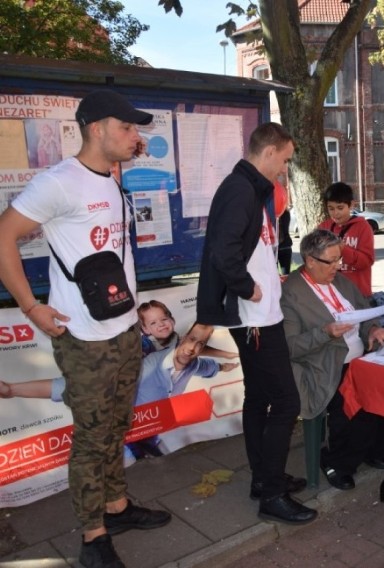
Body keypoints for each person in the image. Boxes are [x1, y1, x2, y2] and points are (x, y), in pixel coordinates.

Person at [0, 89, 171, 568]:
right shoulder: (58, 182)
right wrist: (31, 307)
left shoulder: (110, 179)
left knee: (117, 425)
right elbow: (3, 235)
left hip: (121, 329)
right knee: (93, 437)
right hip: (83, 337)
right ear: (97, 128)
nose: (136, 137)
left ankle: (116, 508)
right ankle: (93, 538)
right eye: (128, 128)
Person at [196, 122, 317, 526]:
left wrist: (266, 279)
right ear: (269, 152)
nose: (284, 169)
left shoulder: (251, 188)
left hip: (261, 316)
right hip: (255, 320)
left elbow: (250, 247)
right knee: (285, 402)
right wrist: (248, 288)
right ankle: (272, 494)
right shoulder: (240, 188)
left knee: (260, 398)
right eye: (284, 161)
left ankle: (266, 480)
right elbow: (223, 250)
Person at [0, 323, 241, 460]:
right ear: (181, 339)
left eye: (199, 345)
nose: (192, 349)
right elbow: (73, 387)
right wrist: (11, 390)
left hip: (152, 431)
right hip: (124, 432)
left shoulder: (195, 364)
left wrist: (228, 362)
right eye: (190, 341)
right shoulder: (148, 366)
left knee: (156, 455)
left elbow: (212, 367)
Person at [281, 229, 384, 490]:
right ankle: (337, 462)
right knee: (356, 406)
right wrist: (324, 333)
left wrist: (373, 329)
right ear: (310, 260)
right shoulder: (291, 294)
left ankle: (370, 448)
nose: (338, 266)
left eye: (339, 260)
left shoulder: (340, 281)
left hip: (360, 360)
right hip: (323, 366)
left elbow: (365, 312)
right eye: (331, 261)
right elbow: (290, 347)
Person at [317, 182, 375, 297]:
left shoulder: (363, 227)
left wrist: (342, 248)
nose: (335, 213)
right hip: (331, 294)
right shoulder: (323, 227)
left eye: (340, 208)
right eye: (331, 208)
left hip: (358, 293)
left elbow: (367, 261)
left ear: (351, 205)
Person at [138, 300, 237, 360]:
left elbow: (191, 349)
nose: (161, 324)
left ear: (172, 320)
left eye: (164, 319)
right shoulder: (144, 345)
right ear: (145, 329)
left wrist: (226, 354)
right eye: (153, 323)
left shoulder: (174, 338)